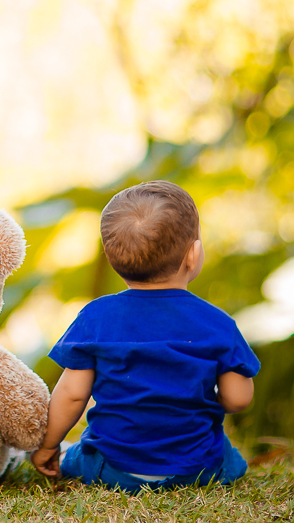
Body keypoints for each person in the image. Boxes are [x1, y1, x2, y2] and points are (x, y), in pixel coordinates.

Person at [30, 180, 260, 492]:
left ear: (113, 259)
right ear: (193, 255)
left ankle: (73, 455)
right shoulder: (217, 323)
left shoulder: (95, 318)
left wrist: (48, 446)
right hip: (196, 468)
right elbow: (238, 398)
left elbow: (72, 394)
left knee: (77, 456)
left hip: (112, 467)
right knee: (231, 461)